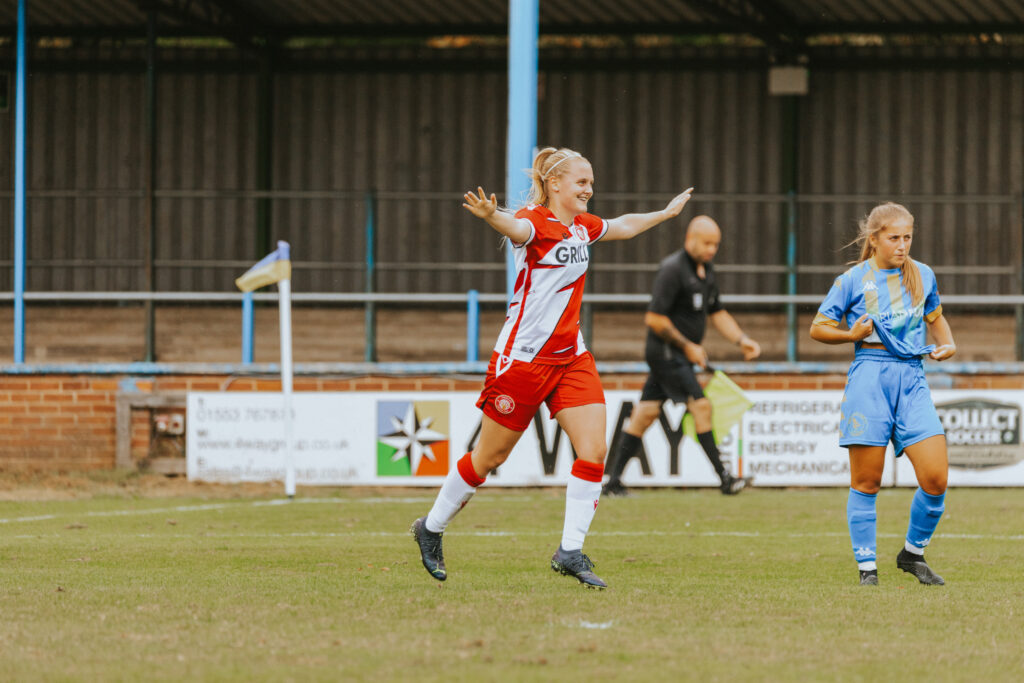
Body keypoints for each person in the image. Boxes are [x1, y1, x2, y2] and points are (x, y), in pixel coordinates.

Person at [410, 146, 694, 589]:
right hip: (521, 361)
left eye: (591, 182)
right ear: (555, 184)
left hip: (571, 358)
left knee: (594, 451)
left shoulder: (582, 226)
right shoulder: (534, 222)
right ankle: (430, 527)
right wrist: (491, 215)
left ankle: (570, 551)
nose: (590, 190)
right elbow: (514, 226)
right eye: (582, 182)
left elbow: (622, 226)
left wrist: (665, 213)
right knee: (489, 458)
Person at [809, 202, 956, 587]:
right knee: (867, 482)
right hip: (870, 377)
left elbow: (935, 317)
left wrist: (948, 344)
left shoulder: (922, 274)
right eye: (894, 238)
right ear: (874, 239)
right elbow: (818, 327)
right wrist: (850, 336)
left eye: (908, 237)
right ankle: (867, 570)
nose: (902, 245)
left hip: (912, 378)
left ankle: (912, 553)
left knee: (936, 477)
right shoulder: (853, 280)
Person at [601, 215, 761, 498]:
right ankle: (724, 479)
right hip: (666, 354)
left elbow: (717, 312)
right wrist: (688, 346)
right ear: (691, 239)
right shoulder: (672, 270)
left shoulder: (707, 271)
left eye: (716, 244)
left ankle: (613, 481)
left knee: (645, 414)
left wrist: (742, 339)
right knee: (701, 406)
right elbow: (654, 319)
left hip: (678, 357)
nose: (712, 249)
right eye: (707, 243)